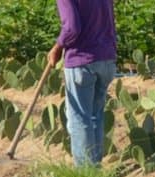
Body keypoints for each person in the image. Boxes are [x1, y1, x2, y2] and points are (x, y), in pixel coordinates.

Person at [48, 0, 117, 167]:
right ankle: (94, 168)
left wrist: (57, 47)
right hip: (106, 59)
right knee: (95, 116)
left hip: (81, 61)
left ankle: (85, 172)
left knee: (79, 118)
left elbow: (72, 28)